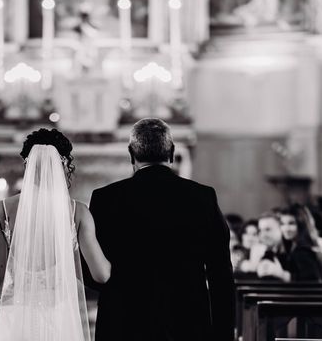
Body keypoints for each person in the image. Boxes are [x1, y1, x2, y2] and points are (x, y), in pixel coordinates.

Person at [87, 118, 235, 340]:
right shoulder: (202, 197)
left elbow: (92, 273)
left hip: (122, 322)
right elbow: (220, 272)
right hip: (186, 322)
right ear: (172, 152)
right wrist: (223, 334)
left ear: (131, 154)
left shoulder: (105, 199)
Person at [0, 128, 110, 340]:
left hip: (16, 316)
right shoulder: (79, 212)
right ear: (65, 164)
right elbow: (101, 274)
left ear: (26, 164)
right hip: (59, 317)